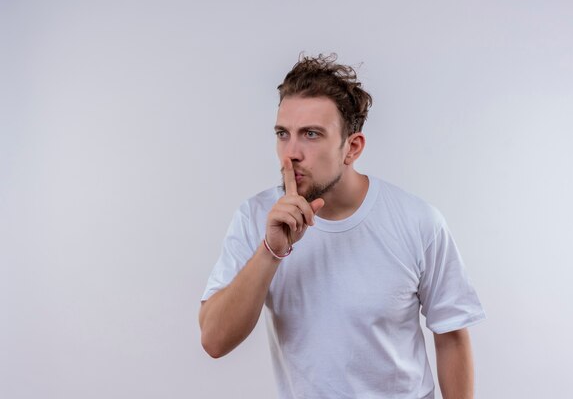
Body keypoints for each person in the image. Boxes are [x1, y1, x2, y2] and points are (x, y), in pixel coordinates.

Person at [199, 54, 486, 399]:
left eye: (311, 134)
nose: (290, 153)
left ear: (352, 147)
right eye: (282, 133)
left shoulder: (418, 221)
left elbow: (452, 334)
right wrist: (271, 251)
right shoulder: (256, 216)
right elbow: (214, 341)